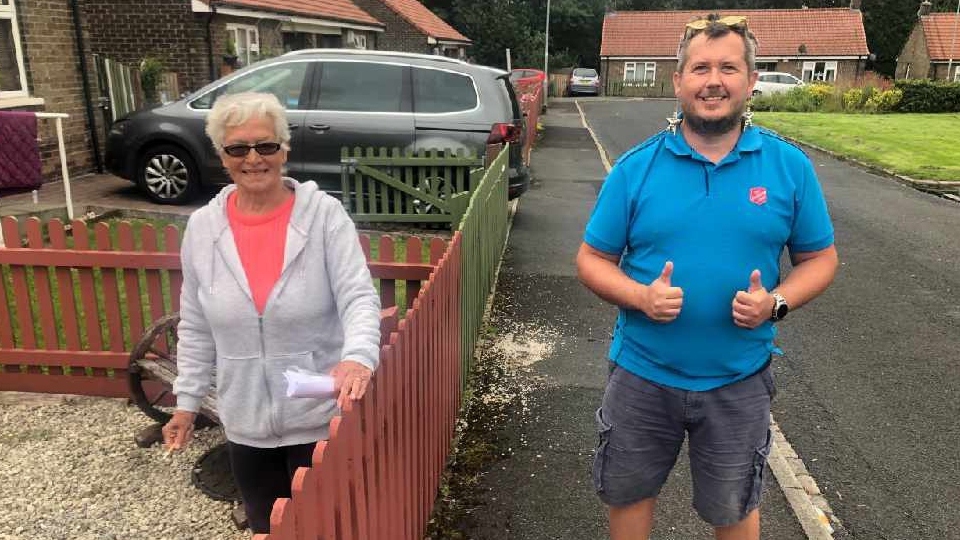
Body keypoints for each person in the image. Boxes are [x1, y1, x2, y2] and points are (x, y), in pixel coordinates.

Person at [576, 14, 839, 540]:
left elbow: (821, 259)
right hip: (643, 375)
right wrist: (640, 297)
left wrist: (776, 304)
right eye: (699, 68)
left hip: (738, 380)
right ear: (678, 81)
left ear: (751, 79)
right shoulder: (637, 168)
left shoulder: (788, 167)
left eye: (727, 67)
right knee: (627, 493)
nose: (712, 81)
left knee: (734, 507)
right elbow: (590, 259)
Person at [161, 91, 382, 534]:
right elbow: (196, 324)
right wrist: (186, 403)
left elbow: (358, 295)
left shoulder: (323, 217)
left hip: (317, 417)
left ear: (284, 149)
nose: (253, 159)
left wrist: (357, 357)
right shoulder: (204, 229)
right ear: (222, 156)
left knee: (327, 527)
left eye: (265, 145)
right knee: (267, 527)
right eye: (238, 148)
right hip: (244, 423)